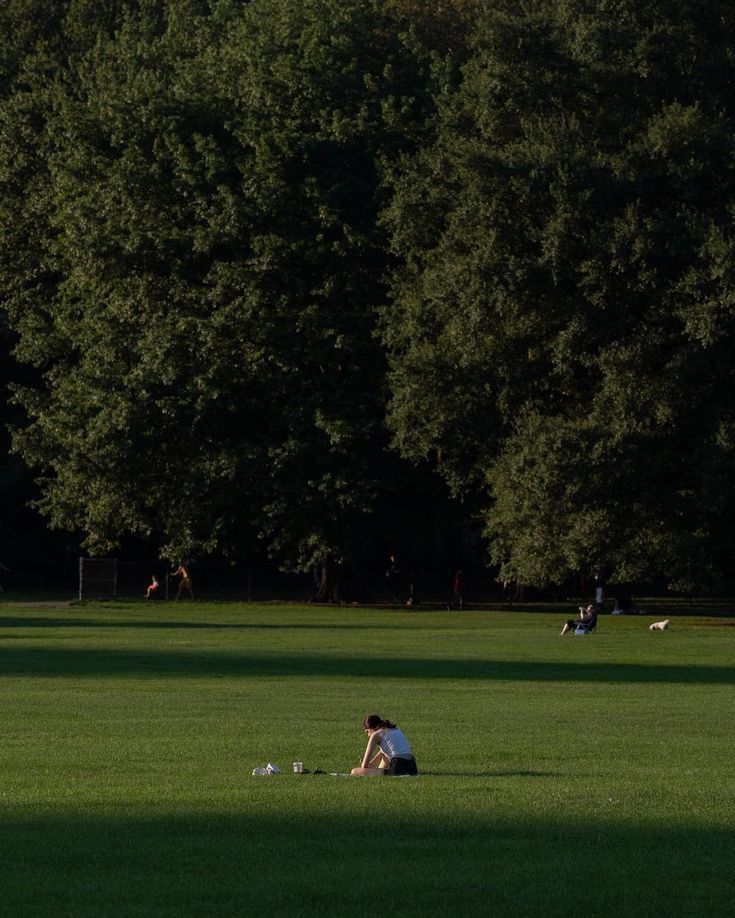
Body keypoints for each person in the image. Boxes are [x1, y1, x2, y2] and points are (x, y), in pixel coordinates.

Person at [351, 714, 418, 777]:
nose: (368, 735)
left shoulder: (375, 735)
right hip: (412, 767)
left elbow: (364, 765)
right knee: (385, 756)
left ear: (373, 728)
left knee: (354, 771)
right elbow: (384, 751)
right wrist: (372, 764)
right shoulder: (394, 730)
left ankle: (383, 772)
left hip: (397, 767)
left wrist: (365, 765)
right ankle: (381, 771)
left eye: (367, 732)